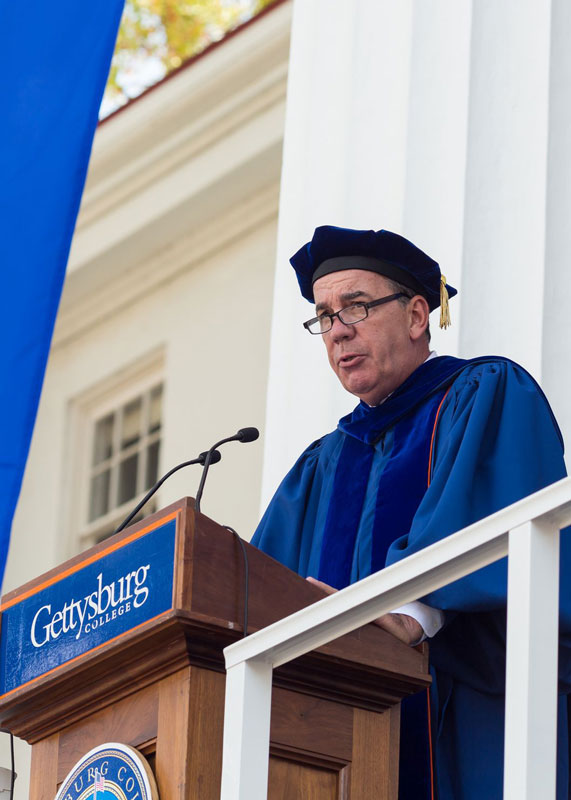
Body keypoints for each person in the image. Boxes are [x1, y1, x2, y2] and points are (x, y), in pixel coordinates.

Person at [252, 225, 571, 800]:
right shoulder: (319, 470)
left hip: (464, 725)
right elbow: (256, 591)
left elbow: (499, 525)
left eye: (357, 306)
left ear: (418, 315)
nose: (338, 331)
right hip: (339, 755)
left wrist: (408, 610)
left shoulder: (483, 394)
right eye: (323, 316)